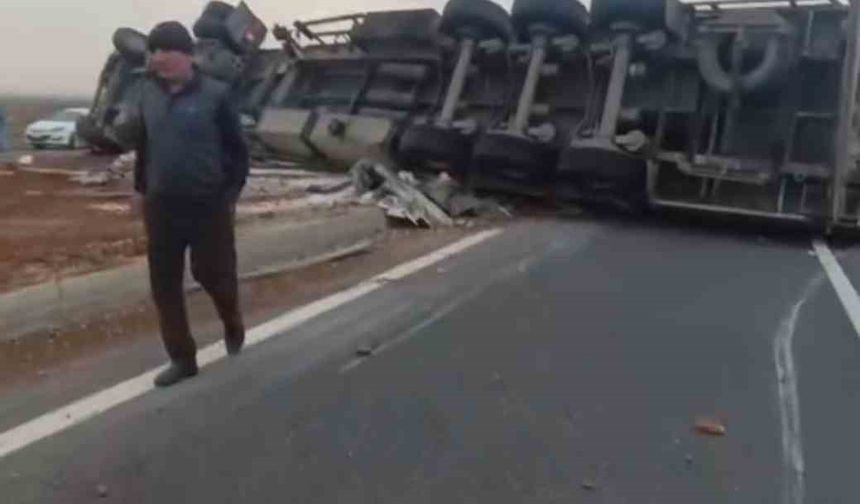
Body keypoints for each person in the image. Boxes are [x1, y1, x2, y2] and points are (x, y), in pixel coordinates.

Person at [133, 21, 249, 387]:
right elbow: (145, 146)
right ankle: (182, 358)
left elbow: (237, 153)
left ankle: (231, 319)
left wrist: (228, 196)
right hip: (162, 205)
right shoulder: (147, 93)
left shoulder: (216, 95)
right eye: (154, 51)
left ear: (187, 55)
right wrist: (140, 189)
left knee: (212, 273)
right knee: (163, 284)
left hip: (207, 205)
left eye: (166, 51)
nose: (158, 59)